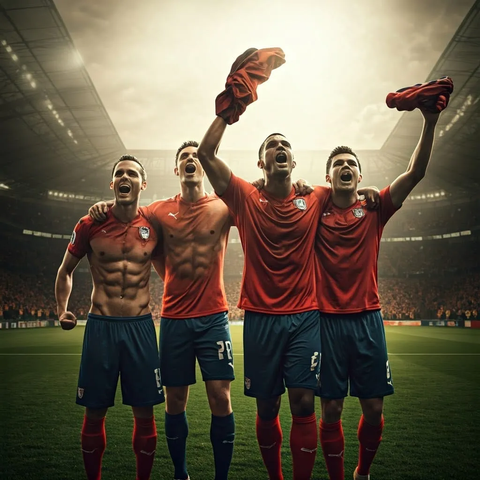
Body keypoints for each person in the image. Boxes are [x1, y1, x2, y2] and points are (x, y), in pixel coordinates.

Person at [89, 141, 235, 480]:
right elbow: (125, 214)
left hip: (214, 317)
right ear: (176, 169)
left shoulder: (225, 206)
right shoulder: (156, 211)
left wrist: (295, 186)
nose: (190, 160)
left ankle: (222, 477)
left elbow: (261, 204)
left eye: (196, 157)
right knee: (174, 401)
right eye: (184, 156)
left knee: (220, 397)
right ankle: (180, 473)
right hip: (173, 319)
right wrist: (103, 206)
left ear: (204, 166)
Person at [314, 106, 447, 480]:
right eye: (338, 163)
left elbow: (415, 173)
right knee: (332, 410)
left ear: (359, 174)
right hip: (326, 323)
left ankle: (363, 473)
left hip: (368, 321)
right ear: (328, 176)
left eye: (351, 163)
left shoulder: (376, 208)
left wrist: (430, 120)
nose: (345, 166)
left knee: (373, 408)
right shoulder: (314, 210)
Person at [55, 155, 164, 480]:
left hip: (141, 328)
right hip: (100, 327)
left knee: (145, 415)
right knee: (94, 412)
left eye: (132, 173)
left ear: (142, 184)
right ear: (112, 183)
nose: (125, 177)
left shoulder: (154, 225)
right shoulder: (89, 224)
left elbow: (173, 266)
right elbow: (65, 271)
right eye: (119, 173)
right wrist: (62, 309)